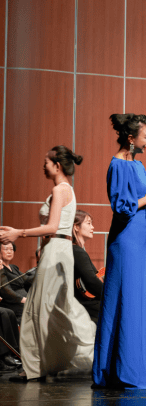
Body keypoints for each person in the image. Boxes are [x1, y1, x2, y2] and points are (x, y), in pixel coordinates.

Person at [0, 146, 95, 382]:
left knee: (40, 308)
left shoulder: (60, 190)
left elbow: (52, 227)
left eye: (46, 162)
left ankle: (35, 367)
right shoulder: (65, 189)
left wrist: (18, 233)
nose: (43, 165)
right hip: (56, 250)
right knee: (53, 308)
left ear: (57, 165)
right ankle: (45, 364)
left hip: (57, 250)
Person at [93, 114, 146, 389]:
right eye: (145, 136)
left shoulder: (138, 165)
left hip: (138, 238)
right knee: (125, 300)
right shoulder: (118, 165)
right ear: (131, 139)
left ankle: (135, 366)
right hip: (125, 240)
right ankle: (118, 369)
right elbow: (120, 207)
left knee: (137, 302)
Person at [71, 210, 103, 323]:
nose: (92, 227)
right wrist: (111, 295)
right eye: (88, 223)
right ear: (76, 227)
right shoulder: (77, 251)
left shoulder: (75, 250)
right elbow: (91, 281)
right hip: (85, 307)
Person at [0, 243, 33, 320]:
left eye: (11, 249)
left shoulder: (14, 267)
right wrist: (24, 299)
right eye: (6, 249)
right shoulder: (1, 270)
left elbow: (27, 279)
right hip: (13, 305)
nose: (9, 252)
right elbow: (5, 290)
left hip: (25, 302)